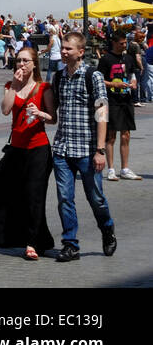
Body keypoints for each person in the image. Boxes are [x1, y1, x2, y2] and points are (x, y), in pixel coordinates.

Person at [0, 46, 56, 260]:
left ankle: (32, 243)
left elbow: (53, 118)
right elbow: (6, 109)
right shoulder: (11, 85)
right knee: (3, 192)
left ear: (35, 64)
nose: (21, 64)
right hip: (16, 148)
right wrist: (15, 86)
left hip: (38, 149)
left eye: (26, 61)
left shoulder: (44, 88)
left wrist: (40, 113)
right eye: (18, 60)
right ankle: (24, 237)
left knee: (34, 196)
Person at [51, 31, 116, 261]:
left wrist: (100, 151)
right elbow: (52, 113)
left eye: (69, 48)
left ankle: (107, 228)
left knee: (95, 198)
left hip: (88, 151)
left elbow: (102, 114)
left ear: (80, 52)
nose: (64, 51)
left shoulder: (93, 76)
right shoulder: (58, 77)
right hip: (62, 150)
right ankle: (70, 244)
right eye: (63, 47)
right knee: (65, 199)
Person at [98, 31, 141, 181]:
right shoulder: (105, 59)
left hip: (126, 99)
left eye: (125, 43)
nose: (124, 45)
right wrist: (114, 84)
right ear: (114, 43)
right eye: (122, 43)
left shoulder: (128, 58)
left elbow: (132, 74)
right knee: (111, 136)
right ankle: (111, 169)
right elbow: (100, 80)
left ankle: (125, 168)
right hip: (112, 100)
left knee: (126, 134)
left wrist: (133, 81)